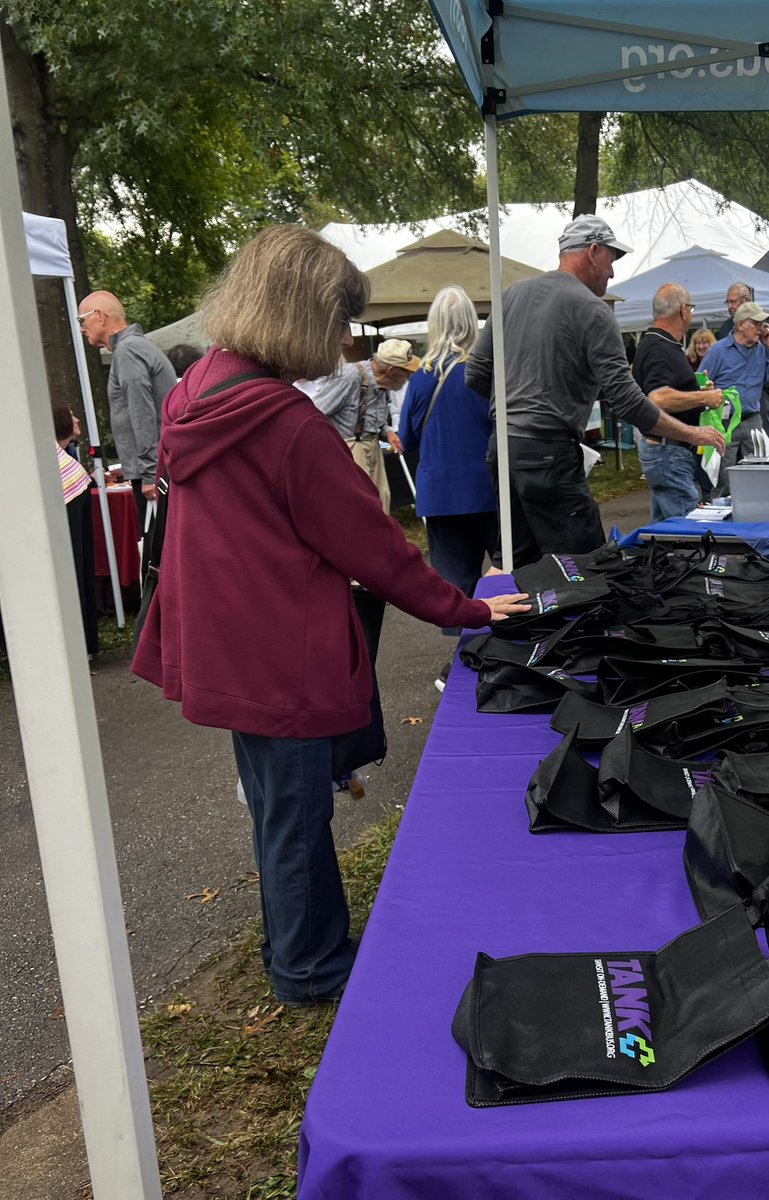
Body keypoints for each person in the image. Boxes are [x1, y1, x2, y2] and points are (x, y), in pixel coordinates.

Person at [131, 225, 529, 1006]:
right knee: (297, 816)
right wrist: (468, 609)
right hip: (280, 648)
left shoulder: (199, 389)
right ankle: (309, 967)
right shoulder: (286, 425)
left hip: (225, 637)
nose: (348, 341)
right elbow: (374, 549)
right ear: (306, 315)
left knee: (280, 810)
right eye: (342, 322)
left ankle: (294, 945)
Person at [466, 214, 724, 567]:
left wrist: (513, 409)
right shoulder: (591, 308)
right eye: (611, 260)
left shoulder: (512, 295)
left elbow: (476, 375)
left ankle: (508, 622)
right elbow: (627, 400)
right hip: (549, 453)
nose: (613, 272)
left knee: (516, 564)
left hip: (502, 450)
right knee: (587, 568)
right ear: (592, 251)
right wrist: (690, 433)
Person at [398, 286, 499, 656]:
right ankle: (511, 646)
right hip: (489, 487)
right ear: (473, 322)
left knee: (456, 585)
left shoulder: (420, 378)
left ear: (434, 325)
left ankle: (465, 659)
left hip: (440, 493)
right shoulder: (486, 372)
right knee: (508, 569)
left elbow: (407, 439)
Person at [77, 290, 177, 529]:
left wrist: (150, 473)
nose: (81, 328)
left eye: (82, 320)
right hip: (159, 467)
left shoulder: (128, 351)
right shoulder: (135, 347)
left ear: (99, 316)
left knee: (159, 555)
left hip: (156, 473)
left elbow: (141, 412)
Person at [632, 284, 725, 520]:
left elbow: (664, 390)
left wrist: (695, 392)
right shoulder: (659, 346)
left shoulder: (657, 343)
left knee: (663, 531)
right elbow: (658, 397)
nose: (691, 314)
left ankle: (658, 558)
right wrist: (704, 397)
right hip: (668, 450)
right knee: (687, 530)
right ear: (684, 310)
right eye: (691, 308)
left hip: (666, 449)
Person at [309, 339, 416, 513]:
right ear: (392, 371)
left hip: (372, 447)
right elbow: (315, 410)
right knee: (359, 507)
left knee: (382, 501)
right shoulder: (351, 376)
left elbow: (376, 420)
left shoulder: (384, 383)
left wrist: (387, 432)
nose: (409, 378)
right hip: (350, 448)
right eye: (406, 373)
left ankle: (380, 540)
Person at [698, 300, 769, 490]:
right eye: (756, 323)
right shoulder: (718, 351)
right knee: (723, 479)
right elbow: (700, 383)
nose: (761, 328)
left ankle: (753, 512)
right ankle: (720, 513)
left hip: (753, 420)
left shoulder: (762, 350)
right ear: (740, 325)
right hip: (725, 422)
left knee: (758, 475)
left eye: (763, 324)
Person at [52, 403, 99, 659]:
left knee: (77, 571)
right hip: (74, 492)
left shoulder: (59, 453)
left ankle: (83, 643)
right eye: (71, 416)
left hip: (72, 494)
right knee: (77, 571)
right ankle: (85, 643)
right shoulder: (59, 454)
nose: (77, 419)